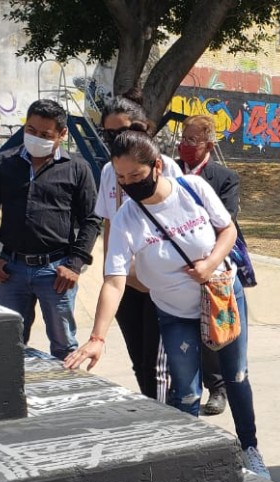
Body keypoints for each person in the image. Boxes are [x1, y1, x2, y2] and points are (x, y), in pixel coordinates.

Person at [63, 130, 270, 480]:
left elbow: (228, 230)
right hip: (175, 314)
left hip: (221, 297)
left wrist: (209, 264)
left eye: (137, 176)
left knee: (235, 376)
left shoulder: (192, 189)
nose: (129, 185)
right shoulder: (127, 218)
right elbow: (114, 280)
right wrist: (98, 337)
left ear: (158, 166)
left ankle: (250, 449)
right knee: (186, 392)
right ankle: (189, 464)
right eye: (122, 178)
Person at [0, 98, 100, 360]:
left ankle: (66, 396)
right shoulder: (3, 163)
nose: (36, 137)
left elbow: (91, 219)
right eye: (31, 130)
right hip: (10, 270)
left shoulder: (77, 168)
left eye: (45, 134)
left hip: (56, 271)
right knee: (9, 343)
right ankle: (12, 399)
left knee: (64, 346)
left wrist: (75, 264)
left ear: (62, 134)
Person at [95, 94, 182, 400]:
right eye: (110, 134)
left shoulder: (166, 168)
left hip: (159, 281)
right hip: (125, 281)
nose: (119, 139)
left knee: (159, 364)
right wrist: (112, 271)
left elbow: (180, 222)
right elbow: (108, 223)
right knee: (139, 361)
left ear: (144, 129)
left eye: (126, 130)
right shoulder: (109, 172)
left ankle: (163, 425)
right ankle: (153, 410)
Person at [175, 114, 243, 417]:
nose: (185, 145)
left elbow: (225, 221)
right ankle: (184, 389)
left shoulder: (225, 178)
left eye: (193, 140)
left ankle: (218, 388)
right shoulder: (169, 171)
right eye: (183, 138)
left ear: (209, 144)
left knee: (212, 328)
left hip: (211, 262)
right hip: (175, 263)